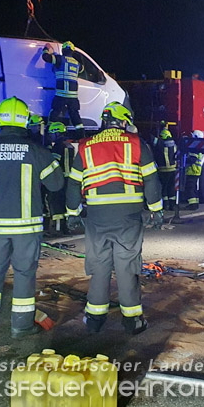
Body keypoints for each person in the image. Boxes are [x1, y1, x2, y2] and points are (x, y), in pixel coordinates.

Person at [0, 97, 64, 338]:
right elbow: (56, 184)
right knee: (23, 275)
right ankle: (20, 327)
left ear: (0, 119)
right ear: (24, 120)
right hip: (26, 229)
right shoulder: (35, 151)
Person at [65, 101, 162, 335]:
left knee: (99, 267)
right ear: (123, 121)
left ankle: (95, 319)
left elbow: (73, 182)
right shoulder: (137, 143)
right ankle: (132, 321)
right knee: (127, 267)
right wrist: (155, 209)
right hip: (128, 217)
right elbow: (151, 179)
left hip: (97, 217)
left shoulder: (86, 146)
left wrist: (72, 213)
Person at [42, 41, 84, 139]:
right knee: (75, 117)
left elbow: (46, 58)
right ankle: (81, 138)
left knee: (54, 115)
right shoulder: (77, 64)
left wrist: (46, 49)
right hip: (73, 97)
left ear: (63, 50)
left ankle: (48, 137)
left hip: (61, 95)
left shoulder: (60, 59)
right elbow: (82, 68)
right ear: (72, 51)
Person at [47, 121, 76, 234]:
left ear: (56, 133)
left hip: (60, 178)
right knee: (66, 203)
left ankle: (58, 228)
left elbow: (54, 162)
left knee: (56, 202)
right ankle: (66, 227)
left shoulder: (58, 146)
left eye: (52, 134)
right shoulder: (69, 145)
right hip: (70, 179)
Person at [152, 126, 178, 210]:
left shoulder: (160, 143)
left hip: (163, 170)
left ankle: (165, 205)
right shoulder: (174, 143)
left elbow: (152, 141)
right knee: (171, 188)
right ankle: (173, 205)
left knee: (164, 188)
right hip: (173, 169)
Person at [184, 130, 204, 210]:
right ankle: (195, 204)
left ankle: (192, 205)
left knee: (190, 188)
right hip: (195, 171)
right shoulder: (198, 147)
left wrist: (184, 160)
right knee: (193, 188)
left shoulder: (195, 148)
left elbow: (192, 159)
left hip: (192, 171)